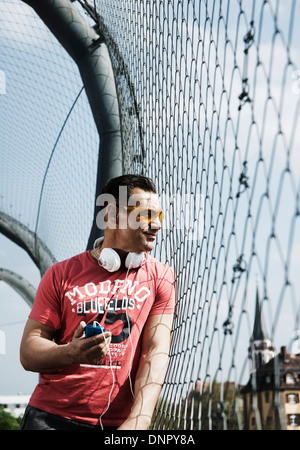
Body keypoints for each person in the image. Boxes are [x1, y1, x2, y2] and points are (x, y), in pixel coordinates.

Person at [20, 174, 175, 430]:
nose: (156, 225)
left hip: (120, 424)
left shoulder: (162, 277)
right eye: (146, 214)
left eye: (159, 215)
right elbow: (28, 352)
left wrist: (140, 419)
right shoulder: (61, 274)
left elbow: (155, 352)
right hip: (49, 419)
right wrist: (70, 352)